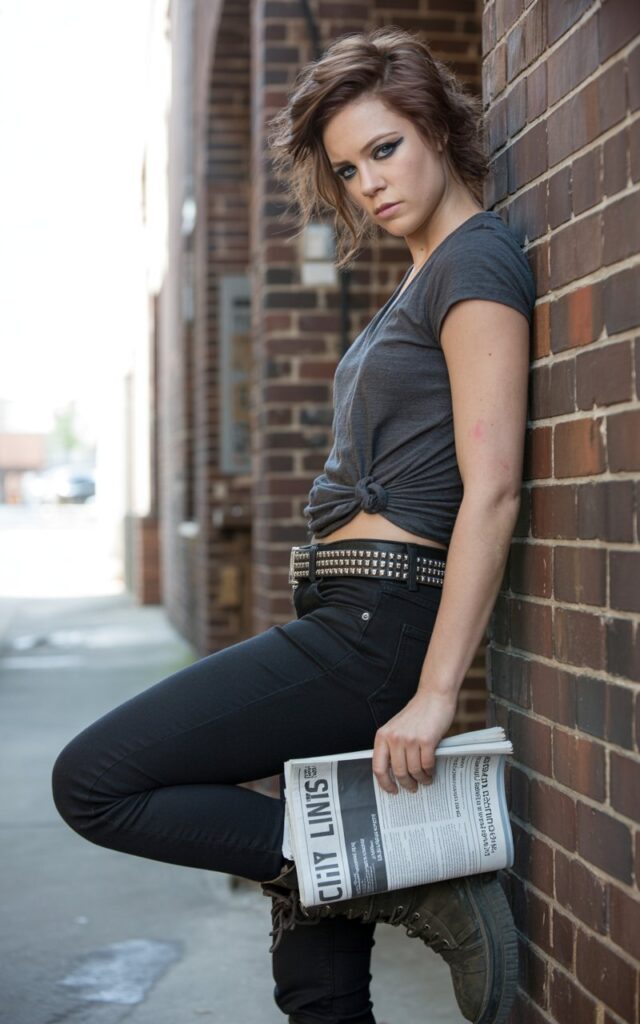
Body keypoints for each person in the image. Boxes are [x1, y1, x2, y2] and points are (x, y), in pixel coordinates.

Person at [52, 25, 536, 1024]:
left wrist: (437, 694)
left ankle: (393, 873)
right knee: (314, 984)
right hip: (351, 612)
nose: (369, 183)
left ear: (439, 128)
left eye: (385, 148)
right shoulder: (417, 272)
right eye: (350, 167)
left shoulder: (473, 262)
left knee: (93, 780)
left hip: (372, 632)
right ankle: (327, 869)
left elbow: (492, 488)